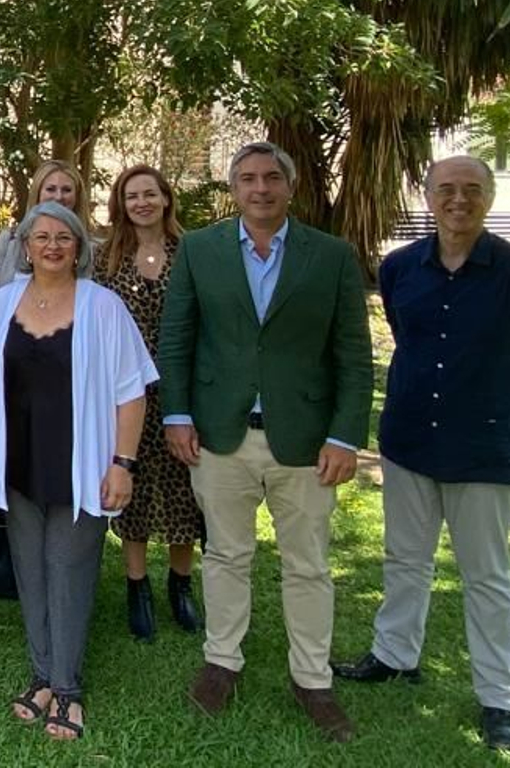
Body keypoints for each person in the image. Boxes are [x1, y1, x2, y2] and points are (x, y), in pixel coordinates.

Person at [157, 141, 373, 743]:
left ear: (290, 186)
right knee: (227, 555)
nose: (260, 188)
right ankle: (221, 662)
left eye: (272, 177)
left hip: (305, 439)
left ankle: (313, 679)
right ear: (234, 189)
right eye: (248, 178)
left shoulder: (330, 255)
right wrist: (177, 414)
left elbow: (353, 354)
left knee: (308, 564)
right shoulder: (200, 250)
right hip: (220, 434)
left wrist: (345, 435)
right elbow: (176, 338)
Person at [333, 156, 510, 754]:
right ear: (427, 196)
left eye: (472, 189)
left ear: (489, 197)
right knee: (405, 558)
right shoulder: (401, 267)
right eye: (446, 189)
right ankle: (395, 655)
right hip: (411, 440)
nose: (458, 200)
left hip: (488, 448)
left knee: (486, 576)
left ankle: (501, 697)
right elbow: (406, 339)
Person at [0, 201, 153, 740]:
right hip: (20, 464)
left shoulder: (104, 308)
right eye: (41, 237)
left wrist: (122, 465)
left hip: (83, 464)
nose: (52, 246)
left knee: (68, 570)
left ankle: (67, 688)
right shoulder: (2, 305)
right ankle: (41, 674)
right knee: (30, 570)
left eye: (63, 237)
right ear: (25, 247)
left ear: (79, 248)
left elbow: (131, 392)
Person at [93, 165, 202, 641]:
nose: (141, 203)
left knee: (184, 490)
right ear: (121, 203)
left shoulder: (191, 253)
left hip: (182, 390)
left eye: (149, 194)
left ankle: (181, 584)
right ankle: (136, 586)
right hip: (125, 393)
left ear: (166, 199)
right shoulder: (107, 257)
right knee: (130, 485)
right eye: (132, 195)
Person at [0, 159, 91, 300]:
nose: (58, 197)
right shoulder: (10, 239)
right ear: (38, 193)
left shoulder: (93, 248)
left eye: (66, 190)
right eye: (51, 189)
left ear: (77, 196)